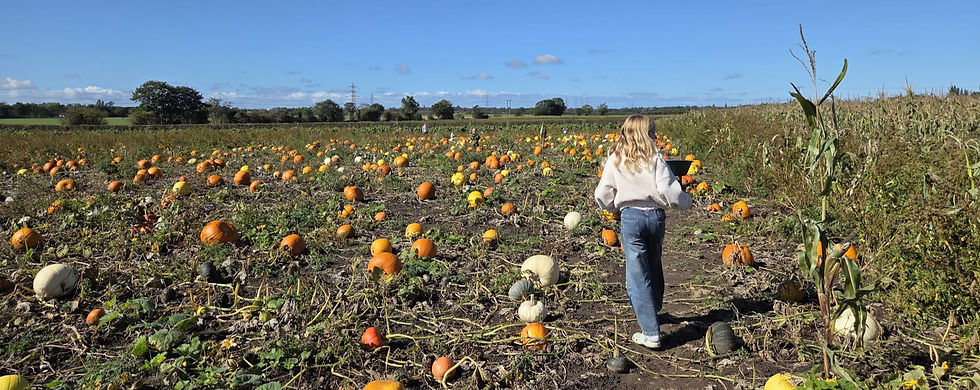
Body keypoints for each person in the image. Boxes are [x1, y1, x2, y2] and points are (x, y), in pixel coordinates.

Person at [594, 115, 692, 349]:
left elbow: (602, 193)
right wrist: (685, 201)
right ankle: (653, 308)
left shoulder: (616, 159)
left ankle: (651, 332)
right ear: (646, 134)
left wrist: (612, 208)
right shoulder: (655, 158)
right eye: (653, 131)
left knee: (637, 274)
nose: (655, 135)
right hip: (656, 218)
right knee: (653, 262)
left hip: (631, 218)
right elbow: (670, 191)